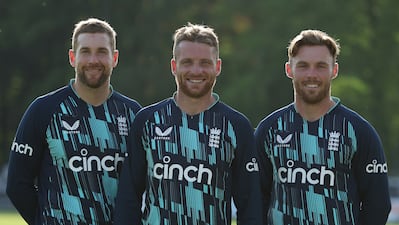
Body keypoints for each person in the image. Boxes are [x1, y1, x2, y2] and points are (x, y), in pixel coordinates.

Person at [114, 23, 263, 225]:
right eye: (187, 62)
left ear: (217, 67)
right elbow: (128, 200)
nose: (196, 70)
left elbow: (250, 207)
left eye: (204, 62)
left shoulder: (236, 127)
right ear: (174, 66)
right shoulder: (147, 121)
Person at [6, 18, 142, 225]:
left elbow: (144, 187)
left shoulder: (133, 114)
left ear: (114, 58)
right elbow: (17, 184)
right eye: (85, 51)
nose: (93, 60)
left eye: (102, 52)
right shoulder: (44, 109)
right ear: (72, 57)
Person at [255, 29, 392, 225]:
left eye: (320, 66)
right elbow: (255, 200)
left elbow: (378, 205)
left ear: (334, 70)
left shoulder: (358, 131)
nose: (312, 74)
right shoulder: (269, 130)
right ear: (289, 69)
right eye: (303, 66)